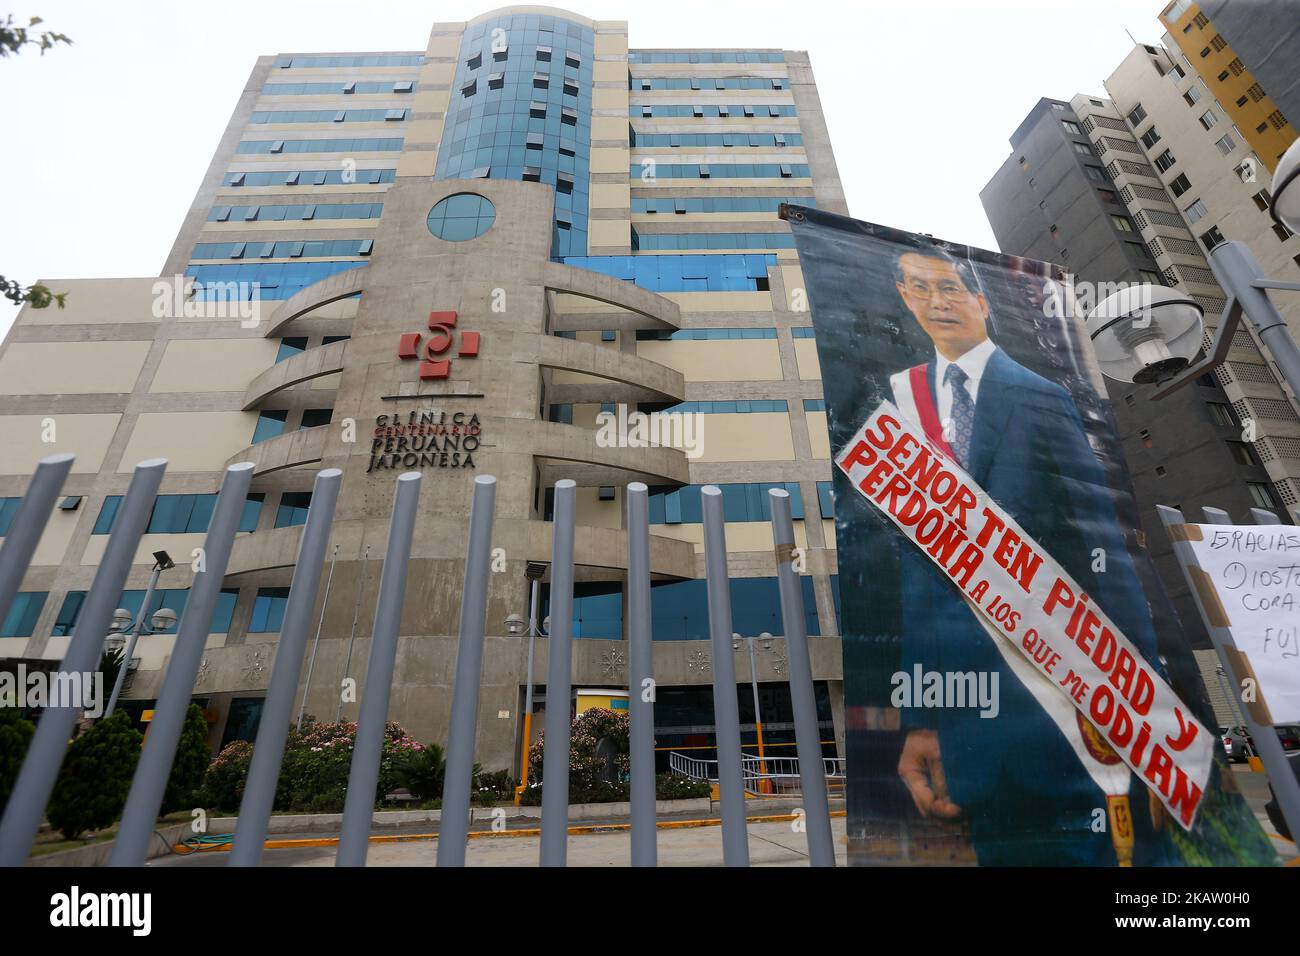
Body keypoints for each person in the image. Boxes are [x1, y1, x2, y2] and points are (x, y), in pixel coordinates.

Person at [885, 242, 1173, 866]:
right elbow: (921, 579)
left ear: (982, 302)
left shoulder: (1042, 397)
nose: (936, 302)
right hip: (973, 746)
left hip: (1074, 725)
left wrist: (1144, 712)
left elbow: (1102, 548)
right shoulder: (904, 415)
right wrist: (923, 718)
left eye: (950, 288)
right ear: (906, 301)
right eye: (919, 289)